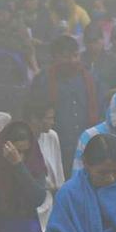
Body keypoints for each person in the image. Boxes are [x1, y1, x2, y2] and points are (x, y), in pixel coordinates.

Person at [31, 35, 98, 173]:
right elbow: (34, 113)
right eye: (67, 57)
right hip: (54, 146)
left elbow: (98, 108)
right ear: (55, 57)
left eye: (75, 55)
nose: (73, 61)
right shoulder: (43, 80)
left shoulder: (89, 78)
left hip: (86, 146)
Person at [0, 2, 34, 116]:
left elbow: (28, 50)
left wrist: (35, 68)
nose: (1, 17)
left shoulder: (19, 29)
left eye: (4, 14)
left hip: (16, 73)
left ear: (10, 14)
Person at [23, 98, 66, 230]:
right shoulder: (21, 140)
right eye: (49, 118)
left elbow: (58, 175)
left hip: (50, 204)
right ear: (34, 118)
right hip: (29, 207)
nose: (52, 122)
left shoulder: (52, 136)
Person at [83, 23, 116, 112]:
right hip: (85, 106)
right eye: (89, 42)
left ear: (102, 40)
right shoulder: (80, 60)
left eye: (95, 41)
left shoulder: (114, 59)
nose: (92, 45)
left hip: (109, 105)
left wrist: (107, 93)